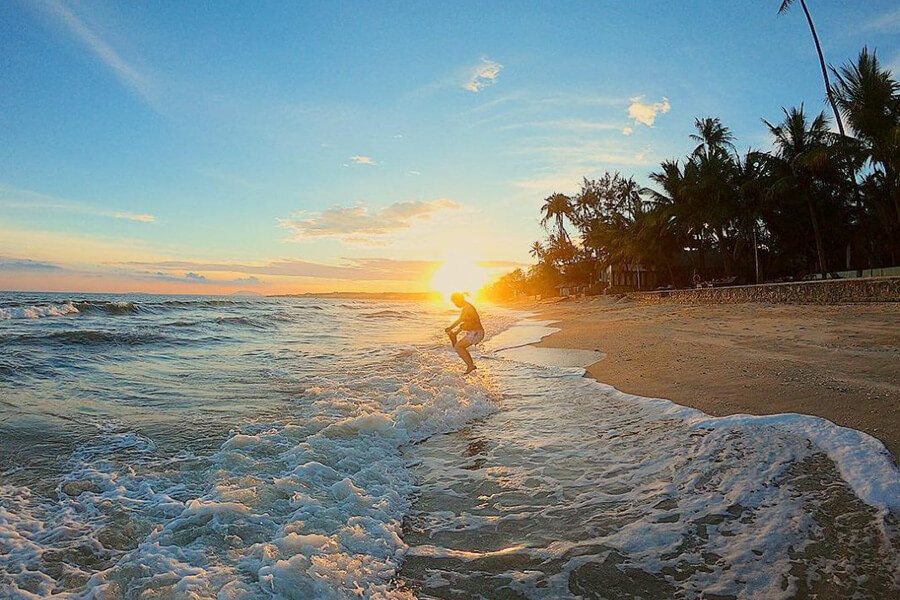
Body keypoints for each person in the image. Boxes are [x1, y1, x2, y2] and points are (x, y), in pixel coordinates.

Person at [445, 292, 484, 374]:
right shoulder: (467, 307)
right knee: (458, 346)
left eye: (455, 302)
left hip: (476, 333)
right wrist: (456, 333)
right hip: (474, 332)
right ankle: (470, 365)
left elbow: (460, 320)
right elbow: (465, 324)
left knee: (458, 347)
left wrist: (450, 328)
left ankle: (470, 365)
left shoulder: (467, 308)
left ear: (459, 299)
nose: (455, 304)